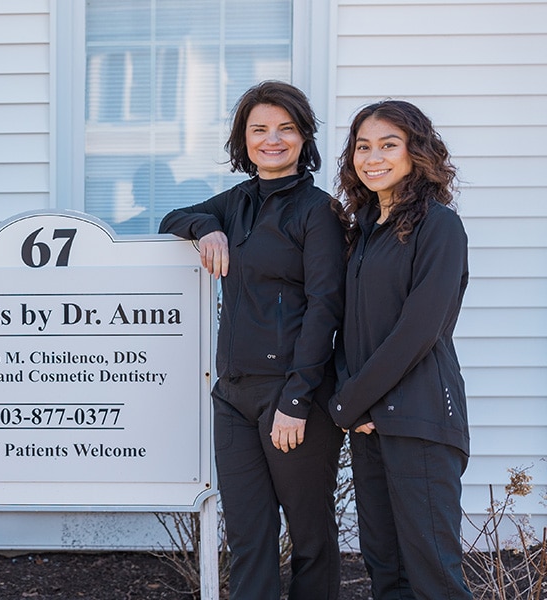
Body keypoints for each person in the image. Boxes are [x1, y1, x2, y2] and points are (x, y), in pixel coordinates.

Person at [158, 81, 346, 598]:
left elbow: (326, 308)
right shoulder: (237, 202)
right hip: (234, 396)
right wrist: (205, 228)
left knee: (310, 536)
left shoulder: (319, 212)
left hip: (292, 394)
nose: (273, 140)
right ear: (243, 139)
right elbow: (171, 218)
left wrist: (297, 399)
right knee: (248, 537)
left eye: (286, 129)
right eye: (259, 129)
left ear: (305, 137)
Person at [331, 100, 471, 599]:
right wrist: (354, 405)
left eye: (388, 144)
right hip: (369, 424)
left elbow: (419, 331)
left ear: (417, 151)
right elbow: (349, 329)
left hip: (421, 421)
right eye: (363, 146)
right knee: (386, 573)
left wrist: (349, 403)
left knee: (433, 577)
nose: (373, 157)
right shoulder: (363, 231)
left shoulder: (439, 226)